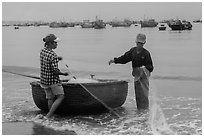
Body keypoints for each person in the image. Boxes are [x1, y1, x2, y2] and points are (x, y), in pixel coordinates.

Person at [109, 33, 153, 110]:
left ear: (144, 43)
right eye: (138, 43)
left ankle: (145, 112)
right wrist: (115, 61)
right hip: (136, 76)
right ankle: (140, 112)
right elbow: (124, 58)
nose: (139, 45)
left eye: (141, 43)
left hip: (144, 78)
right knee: (138, 96)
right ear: (136, 42)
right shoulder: (133, 51)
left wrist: (143, 68)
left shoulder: (146, 53)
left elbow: (151, 67)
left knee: (144, 96)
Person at [40, 34, 68, 118]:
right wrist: (64, 74)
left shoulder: (42, 51)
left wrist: (57, 59)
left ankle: (49, 114)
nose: (57, 44)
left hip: (44, 79)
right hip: (53, 80)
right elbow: (55, 72)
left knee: (50, 98)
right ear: (51, 43)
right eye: (55, 43)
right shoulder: (53, 56)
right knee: (60, 96)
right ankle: (49, 115)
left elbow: (47, 61)